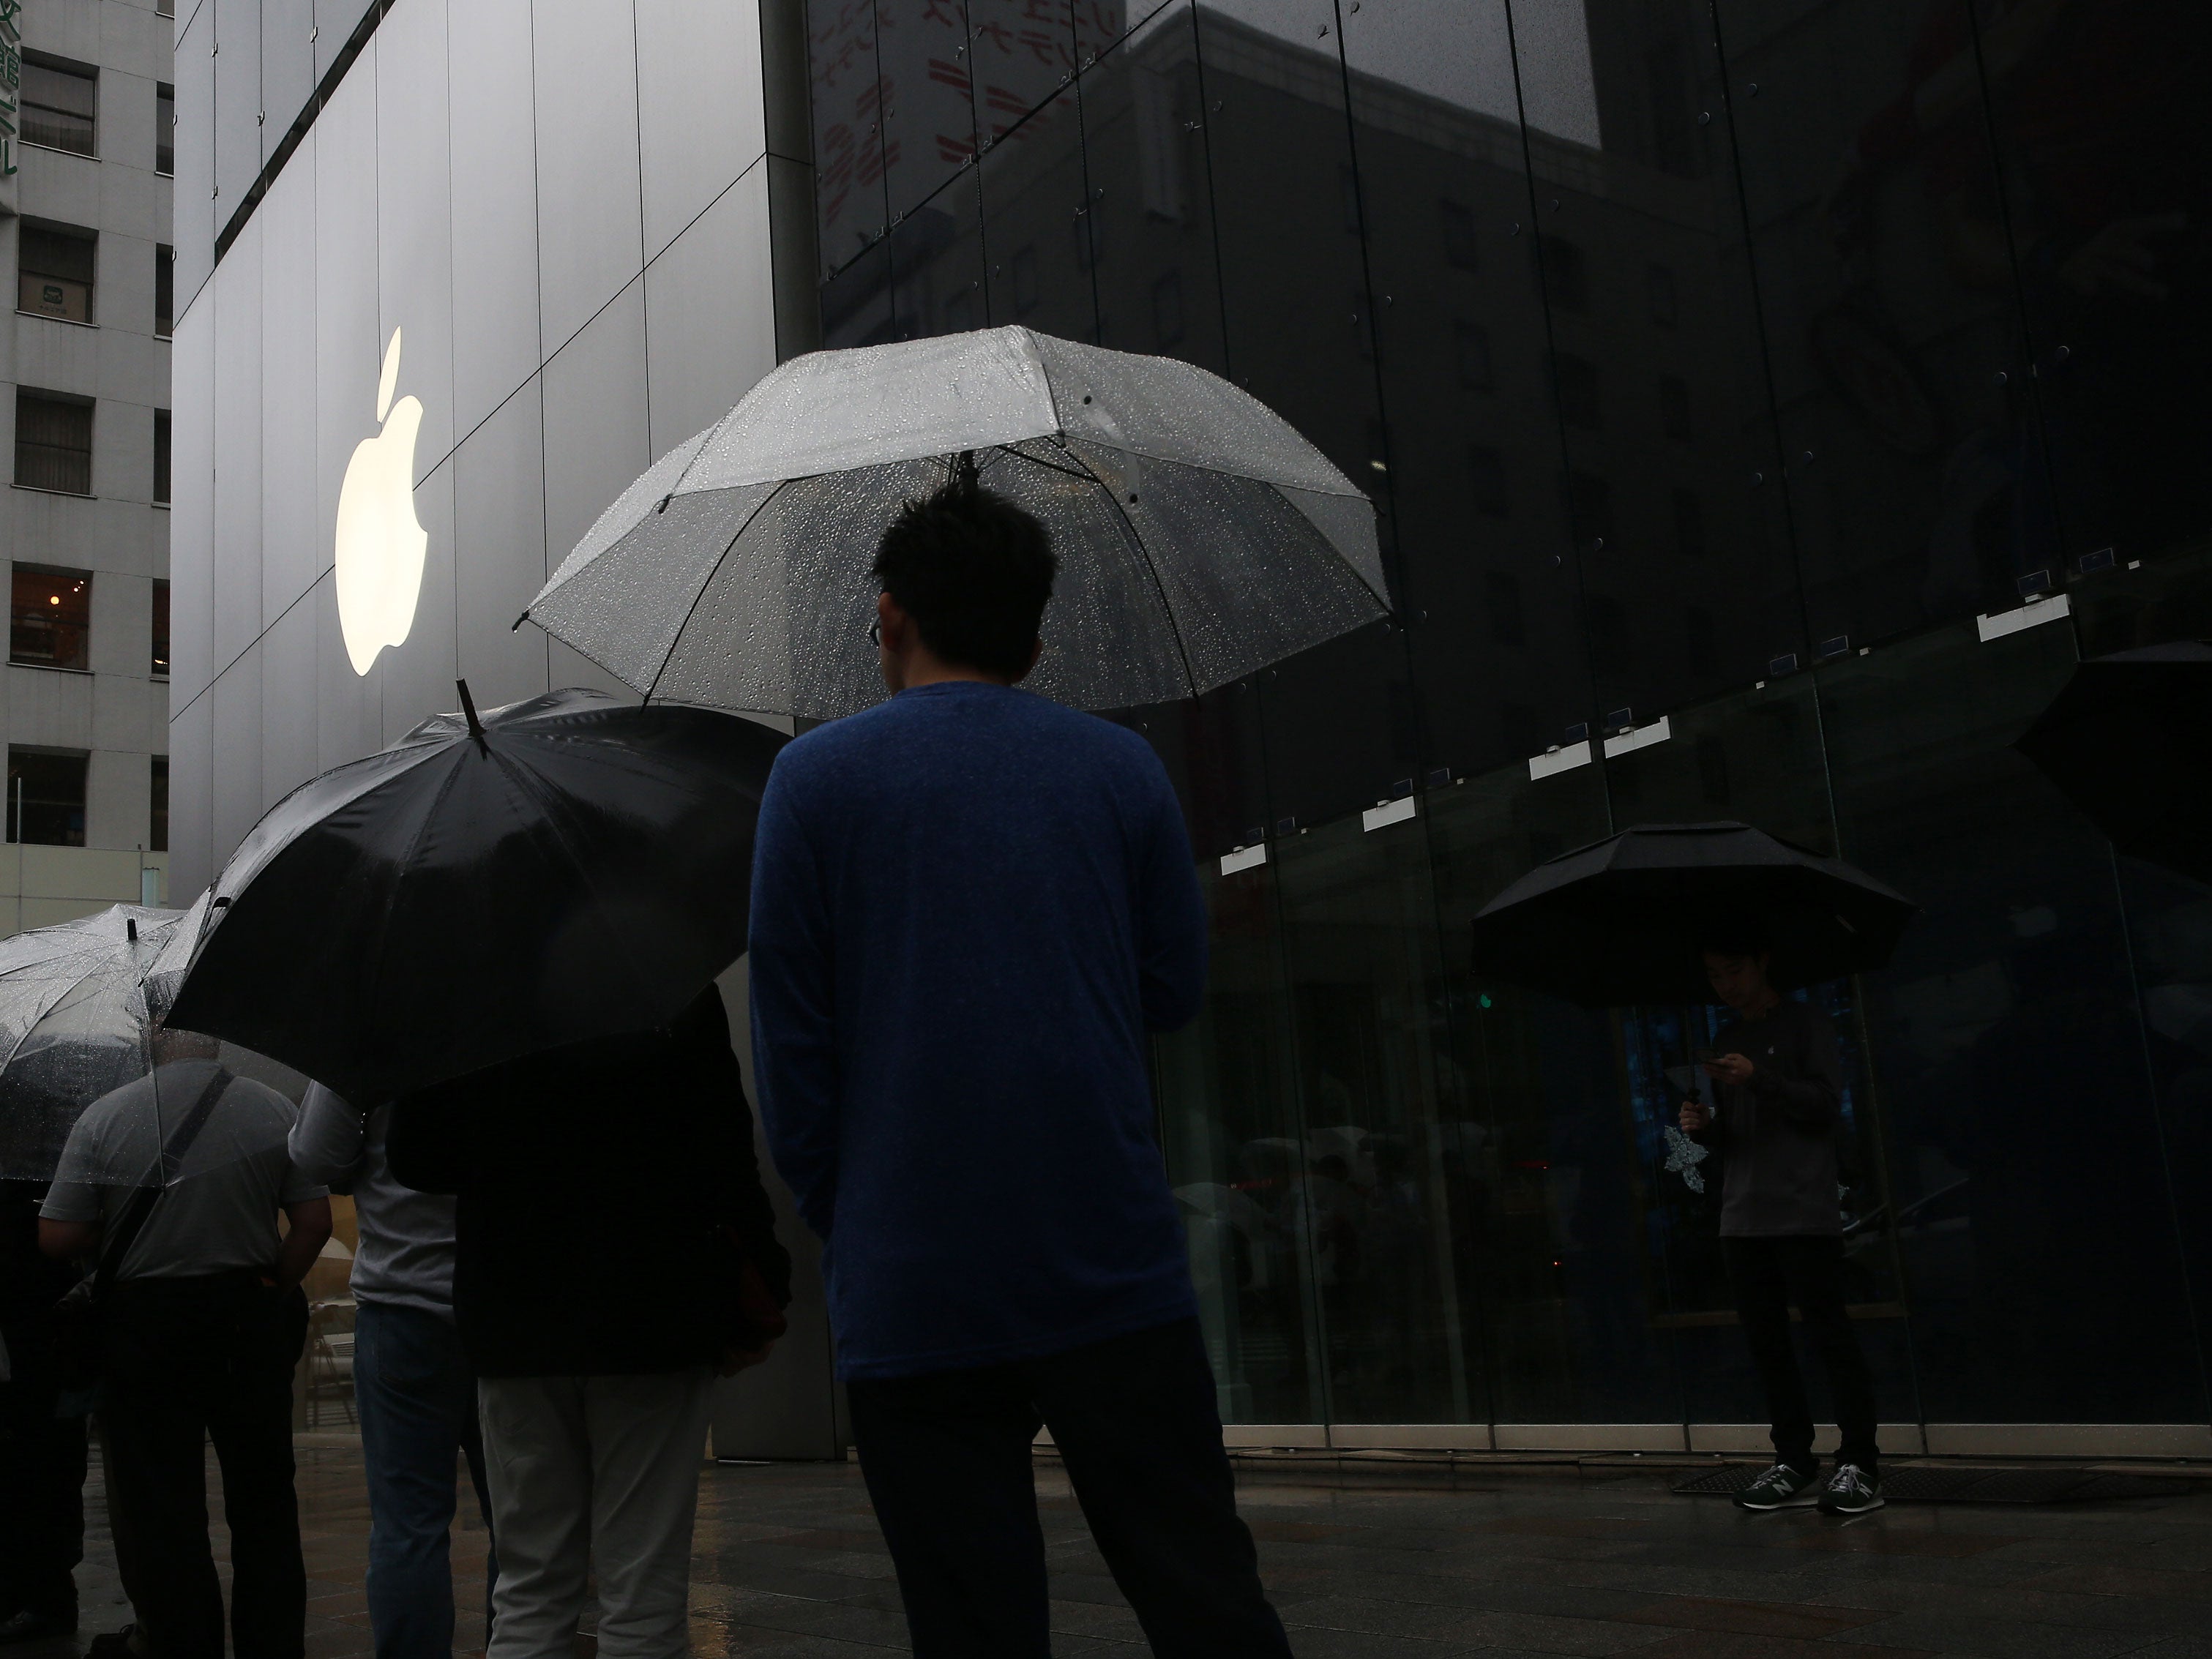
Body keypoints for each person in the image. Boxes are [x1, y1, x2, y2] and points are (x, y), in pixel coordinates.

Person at [749, 465, 1293, 1658]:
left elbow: (792, 1059)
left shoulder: (810, 783)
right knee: (1203, 1596)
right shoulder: (1119, 772)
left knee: (974, 1626)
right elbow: (1172, 989)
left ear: (888, 614)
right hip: (1107, 1252)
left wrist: (867, 1215)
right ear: (1038, 639)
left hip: (912, 1274)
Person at [386, 986, 790, 1659]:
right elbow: (725, 1145)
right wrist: (763, 1285)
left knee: (530, 1591)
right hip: (652, 1307)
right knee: (644, 1597)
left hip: (515, 1310)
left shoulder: (464, 985)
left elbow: (416, 1157)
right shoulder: (666, 973)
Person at [37, 1036, 332, 1659]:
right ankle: (272, 1645)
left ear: (150, 1042)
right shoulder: (276, 1108)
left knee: (161, 1504)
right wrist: (275, 1285)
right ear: (216, 1044)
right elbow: (314, 1223)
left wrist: (109, 1221)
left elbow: (58, 1236)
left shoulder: (107, 1114)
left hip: (146, 1328)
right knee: (265, 1501)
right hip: (245, 1321)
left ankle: (183, 1642)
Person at [288, 1085, 496, 1659]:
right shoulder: (514, 1013)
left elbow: (314, 1155)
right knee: (521, 1521)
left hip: (401, 1302)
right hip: (502, 1303)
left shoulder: (373, 1019)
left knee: (408, 1525)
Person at [1678, 936, 1882, 1516]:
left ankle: (1860, 1462)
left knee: (1828, 1335)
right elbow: (1739, 1130)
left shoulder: (1806, 1023)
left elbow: (1824, 1104)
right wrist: (1705, 1125)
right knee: (1766, 1342)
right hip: (1741, 1213)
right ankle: (1793, 1458)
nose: (1726, 983)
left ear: (1764, 958)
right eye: (1715, 974)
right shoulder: (1726, 1037)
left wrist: (1759, 1078)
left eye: (1734, 968)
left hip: (1801, 1207)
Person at [0, 1177, 89, 1643]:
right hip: (46, 1348)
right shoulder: (48, 1176)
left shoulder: (35, 1186)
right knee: (46, 1473)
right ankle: (41, 1593)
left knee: (38, 1474)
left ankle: (41, 1596)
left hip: (40, 1351)